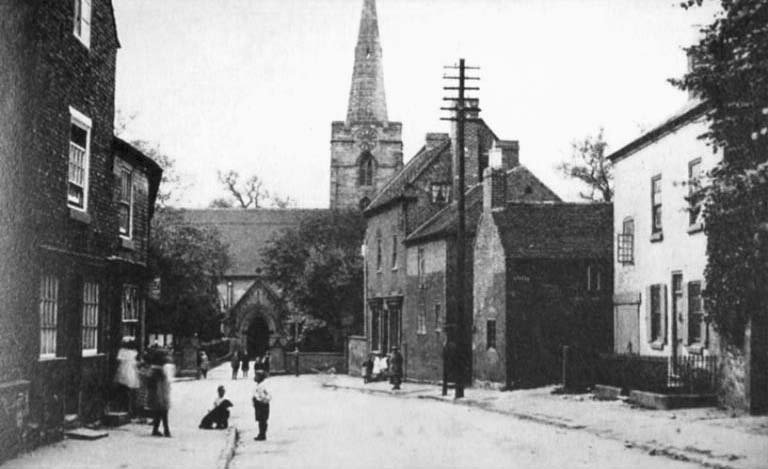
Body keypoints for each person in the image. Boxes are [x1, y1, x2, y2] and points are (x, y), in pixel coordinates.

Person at [146, 349, 172, 437]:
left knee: (158, 412)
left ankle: (156, 429)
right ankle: (166, 430)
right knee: (163, 411)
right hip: (160, 394)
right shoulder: (159, 370)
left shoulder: (153, 370)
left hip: (156, 394)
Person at [114, 338, 140, 415]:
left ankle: (123, 407)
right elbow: (135, 362)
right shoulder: (134, 352)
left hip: (123, 369)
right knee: (129, 390)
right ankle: (130, 408)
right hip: (131, 371)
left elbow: (118, 360)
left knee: (122, 389)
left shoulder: (121, 351)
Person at [251, 370, 271, 441]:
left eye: (256, 376)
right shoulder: (258, 385)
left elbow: (268, 395)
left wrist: (262, 400)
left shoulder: (262, 386)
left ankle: (262, 434)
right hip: (259, 404)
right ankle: (261, 433)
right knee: (260, 420)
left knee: (262, 420)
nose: (255, 377)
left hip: (262, 405)